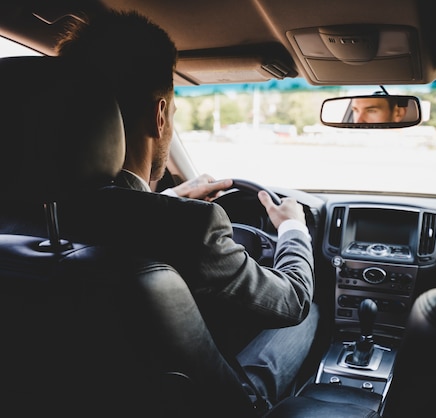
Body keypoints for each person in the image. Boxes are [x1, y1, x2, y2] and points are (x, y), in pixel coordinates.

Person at [55, 9, 319, 407]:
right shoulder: (192, 229)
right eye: (174, 112)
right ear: (160, 117)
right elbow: (291, 300)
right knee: (313, 309)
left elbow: (109, 219)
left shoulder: (27, 213)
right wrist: (293, 230)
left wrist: (171, 200)